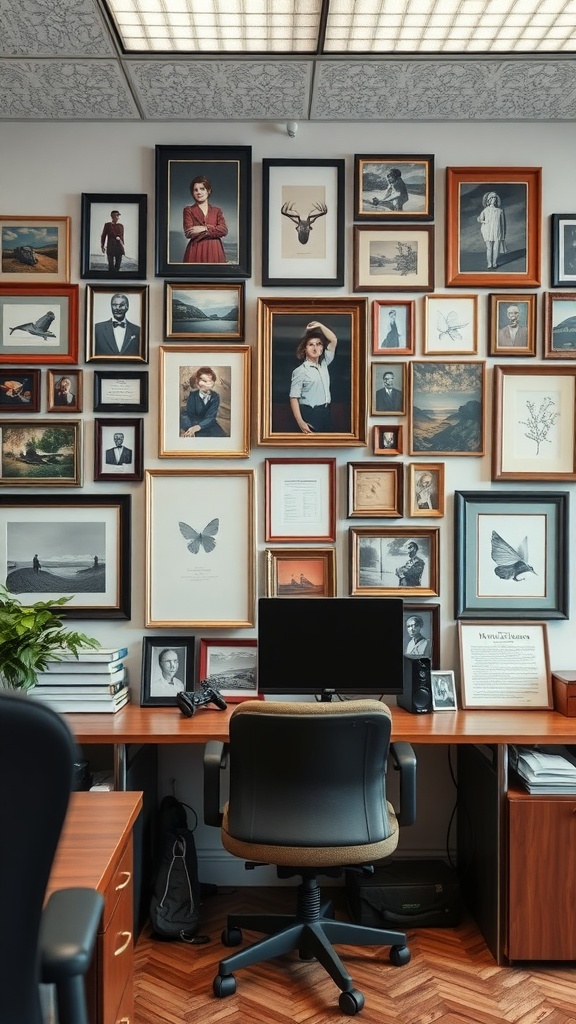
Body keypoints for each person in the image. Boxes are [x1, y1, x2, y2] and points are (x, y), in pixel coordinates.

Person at [289, 321, 338, 434]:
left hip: (326, 411)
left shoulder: (324, 364)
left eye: (318, 344)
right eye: (311, 344)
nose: (315, 347)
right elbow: (293, 398)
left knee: (329, 447)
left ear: (322, 348)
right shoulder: (300, 371)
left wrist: (320, 326)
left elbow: (333, 339)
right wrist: (300, 422)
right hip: (310, 413)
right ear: (304, 349)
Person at [183, 175, 228, 264]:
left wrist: (204, 228)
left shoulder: (217, 211)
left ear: (208, 191)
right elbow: (189, 233)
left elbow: (223, 230)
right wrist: (214, 231)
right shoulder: (188, 210)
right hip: (196, 250)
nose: (199, 192)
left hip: (215, 250)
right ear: (192, 193)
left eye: (202, 189)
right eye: (195, 190)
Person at [180, 366, 227, 437]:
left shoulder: (215, 397)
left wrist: (199, 427)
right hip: (194, 424)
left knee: (221, 436)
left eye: (210, 381)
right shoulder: (193, 396)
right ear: (198, 382)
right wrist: (192, 428)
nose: (207, 384)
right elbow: (190, 414)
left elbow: (211, 417)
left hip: (209, 425)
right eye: (204, 381)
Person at [94, 293, 140, 357]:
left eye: (122, 305)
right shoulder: (97, 329)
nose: (118, 308)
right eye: (115, 305)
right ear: (111, 306)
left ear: (127, 307)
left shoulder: (137, 330)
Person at [477, 191, 506, 269]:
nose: (494, 199)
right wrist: (484, 221)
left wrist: (503, 234)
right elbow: (479, 219)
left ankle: (494, 263)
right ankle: (489, 263)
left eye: (495, 198)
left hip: (497, 231)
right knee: (489, 248)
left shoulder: (500, 211)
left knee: (496, 248)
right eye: (492, 198)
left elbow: (503, 224)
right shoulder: (486, 210)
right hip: (488, 231)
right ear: (489, 200)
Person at [100, 210, 125, 274]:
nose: (118, 217)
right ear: (113, 216)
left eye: (118, 216)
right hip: (110, 246)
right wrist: (102, 246)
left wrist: (122, 243)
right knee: (111, 266)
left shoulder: (121, 226)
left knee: (118, 266)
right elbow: (103, 236)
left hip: (119, 247)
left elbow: (122, 236)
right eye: (117, 215)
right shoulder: (107, 225)